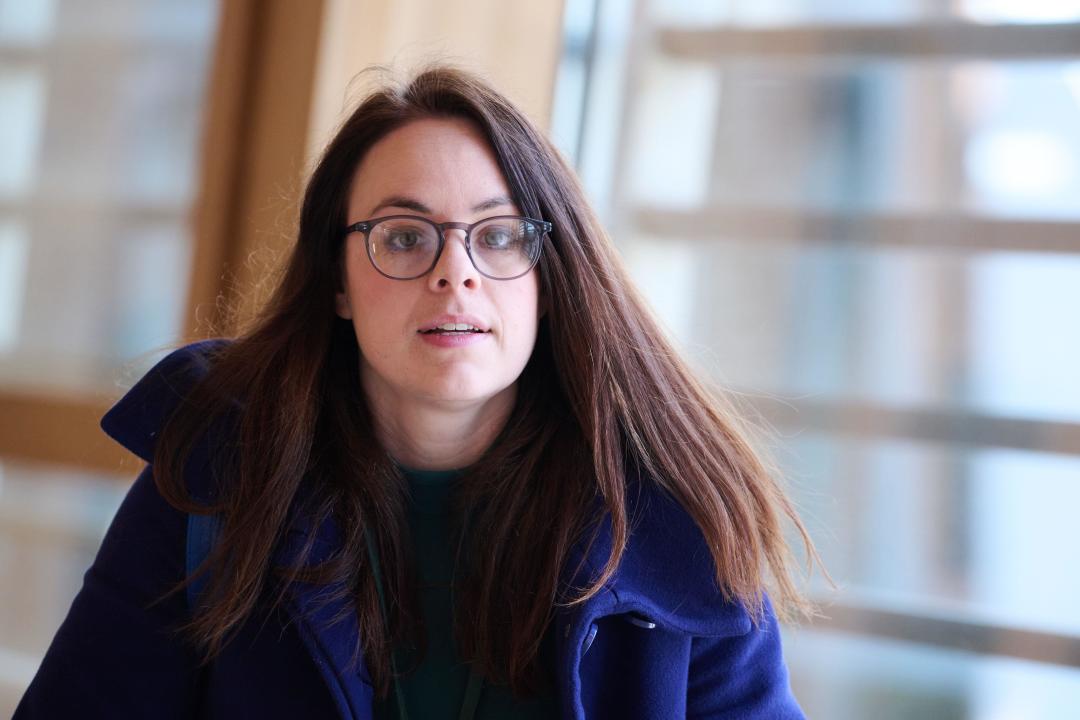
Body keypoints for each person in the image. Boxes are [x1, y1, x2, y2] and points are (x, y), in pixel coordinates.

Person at [16, 65, 819, 719]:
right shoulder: (217, 473)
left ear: (552, 277)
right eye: (404, 236)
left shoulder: (677, 522)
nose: (455, 272)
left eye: (500, 235)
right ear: (336, 279)